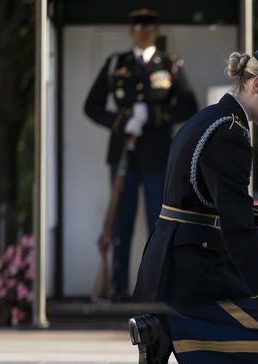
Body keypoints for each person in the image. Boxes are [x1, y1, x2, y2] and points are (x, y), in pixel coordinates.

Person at [128, 34, 258, 364]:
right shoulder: (230, 134)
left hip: (186, 252)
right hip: (190, 267)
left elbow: (203, 198)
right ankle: (166, 329)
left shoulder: (213, 118)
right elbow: (236, 232)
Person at [84, 8, 198, 300]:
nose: (144, 30)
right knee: (120, 221)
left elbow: (187, 106)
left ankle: (154, 286)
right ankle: (119, 287)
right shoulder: (115, 64)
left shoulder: (169, 65)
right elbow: (92, 106)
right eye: (138, 25)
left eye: (149, 25)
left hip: (157, 156)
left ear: (157, 31)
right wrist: (123, 122)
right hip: (123, 155)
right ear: (130, 30)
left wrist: (152, 115)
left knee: (157, 222)